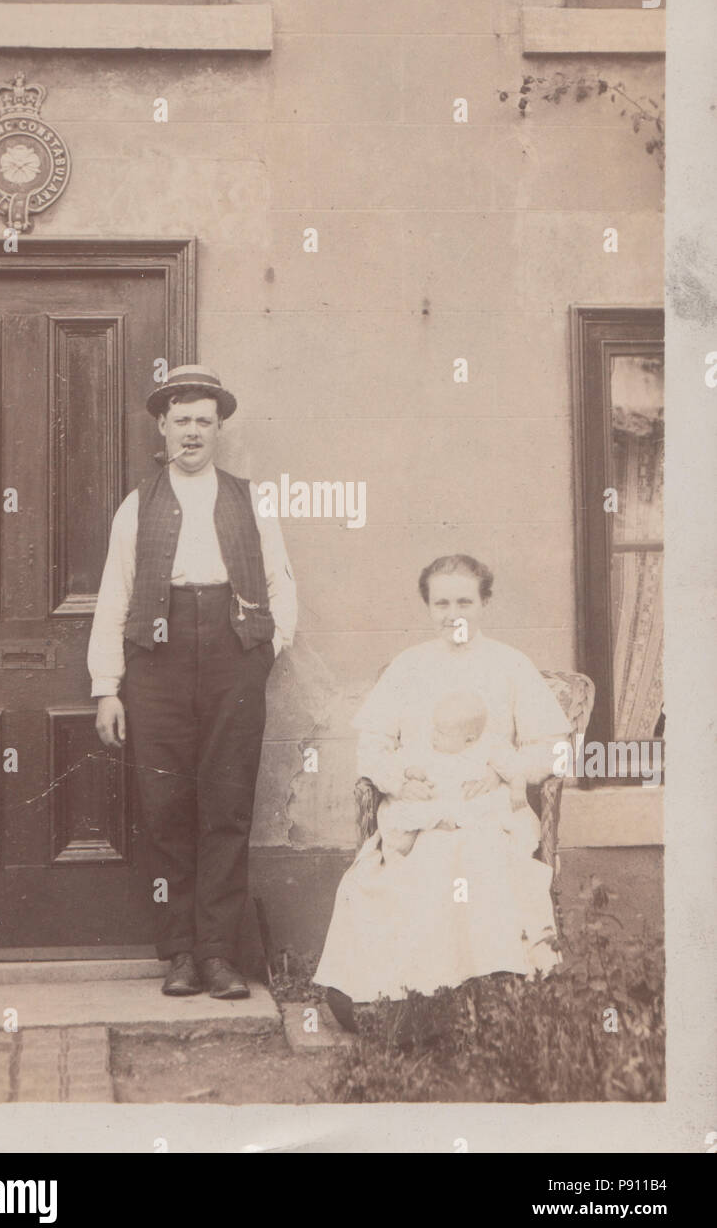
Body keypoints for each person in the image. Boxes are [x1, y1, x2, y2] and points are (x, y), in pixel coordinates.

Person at [88, 365, 297, 999]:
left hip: (234, 655)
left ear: (219, 428)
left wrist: (265, 648)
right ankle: (179, 952)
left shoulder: (247, 500)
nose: (193, 432)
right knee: (165, 809)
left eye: (205, 420)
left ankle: (218, 955)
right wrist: (107, 687)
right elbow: (113, 598)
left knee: (227, 806)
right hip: (158, 658)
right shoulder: (138, 505)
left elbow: (283, 584)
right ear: (163, 425)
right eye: (182, 420)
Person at [315, 553, 571, 1019]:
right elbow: (372, 746)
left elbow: (554, 748)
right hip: (421, 809)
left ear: (485, 603)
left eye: (465, 602)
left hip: (488, 807)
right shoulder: (408, 666)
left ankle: (485, 994)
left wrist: (507, 768)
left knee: (476, 858)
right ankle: (410, 1002)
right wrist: (397, 780)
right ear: (427, 607)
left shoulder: (510, 665)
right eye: (441, 604)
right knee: (407, 867)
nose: (453, 614)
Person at [377, 690, 539, 858]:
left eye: (442, 733)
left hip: (470, 798)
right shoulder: (427, 744)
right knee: (406, 820)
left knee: (501, 819)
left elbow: (513, 766)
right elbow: (402, 760)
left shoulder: (488, 745)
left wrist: (518, 788)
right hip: (437, 795)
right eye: (435, 728)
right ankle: (408, 843)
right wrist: (410, 771)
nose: (434, 735)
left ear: (469, 739)